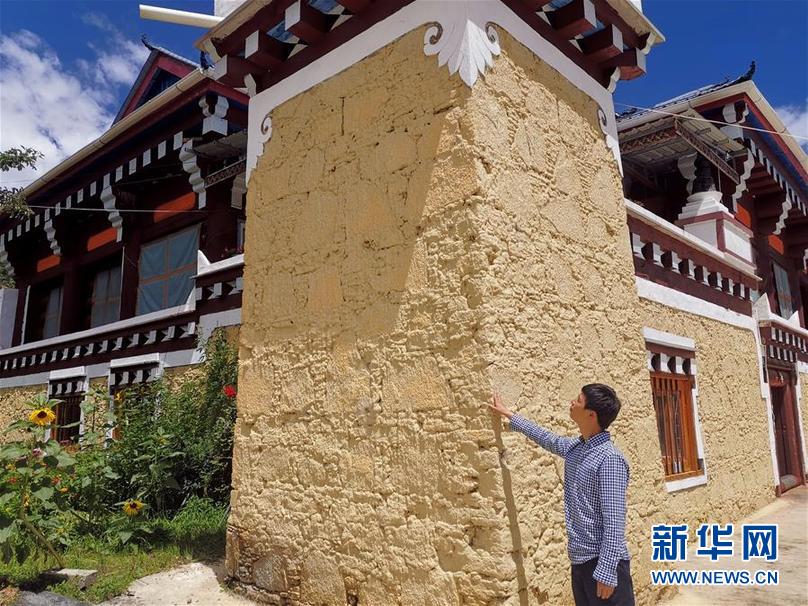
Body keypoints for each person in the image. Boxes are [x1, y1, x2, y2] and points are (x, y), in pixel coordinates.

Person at [487, 385, 634, 606]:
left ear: (591, 415)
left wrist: (606, 571)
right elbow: (548, 439)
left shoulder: (609, 460)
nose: (572, 403)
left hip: (604, 564)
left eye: (578, 400)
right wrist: (510, 415)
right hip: (581, 562)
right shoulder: (578, 448)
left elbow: (614, 522)